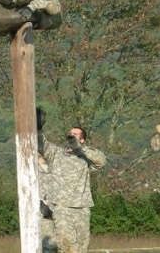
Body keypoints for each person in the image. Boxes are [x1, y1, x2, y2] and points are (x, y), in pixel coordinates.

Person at [36, 108, 106, 253]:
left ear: (82, 140)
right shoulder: (57, 154)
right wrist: (38, 127)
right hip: (62, 208)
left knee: (82, 248)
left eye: (75, 135)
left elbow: (101, 161)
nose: (71, 136)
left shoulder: (86, 156)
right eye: (70, 134)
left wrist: (81, 148)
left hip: (82, 207)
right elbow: (41, 144)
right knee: (68, 247)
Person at [38, 155, 57, 253]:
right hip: (42, 214)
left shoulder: (55, 169)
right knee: (48, 244)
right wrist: (40, 204)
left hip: (58, 211)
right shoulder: (32, 170)